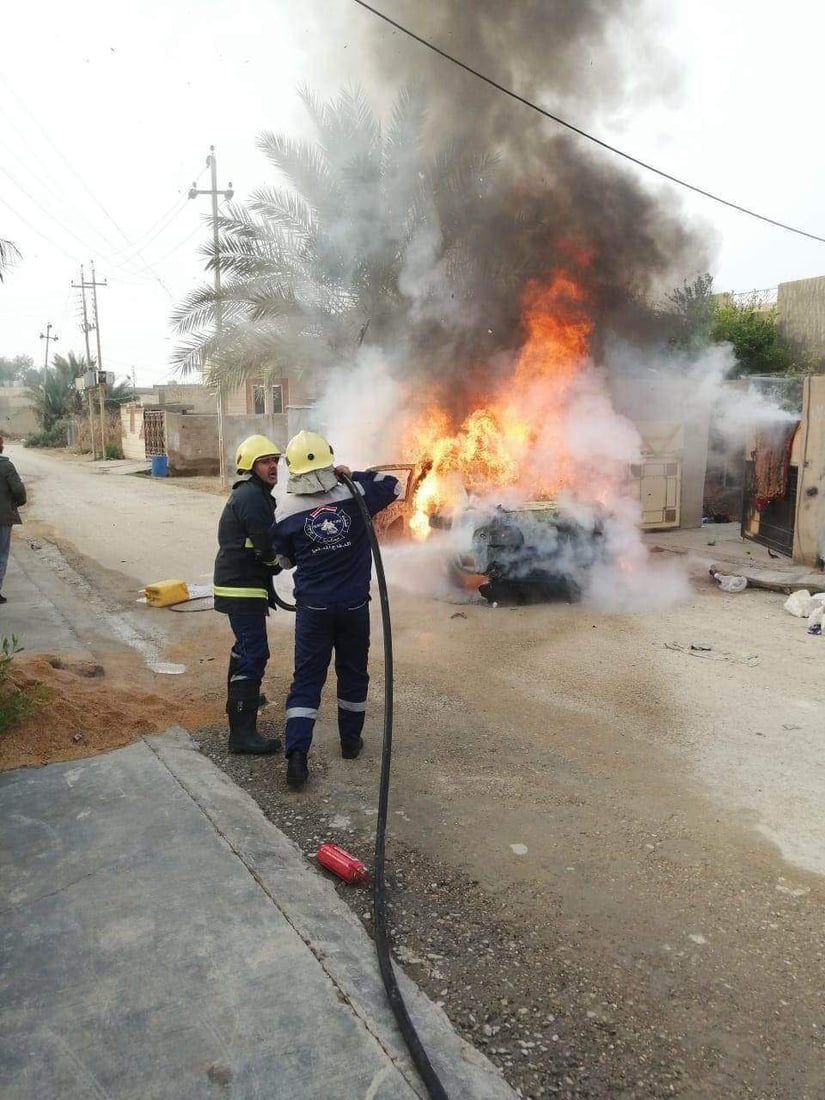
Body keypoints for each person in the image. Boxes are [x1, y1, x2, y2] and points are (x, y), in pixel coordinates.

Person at [272, 430, 400, 790]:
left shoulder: (285, 511)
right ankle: (350, 742)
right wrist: (351, 474)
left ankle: (297, 757)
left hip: (313, 609)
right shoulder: (354, 494)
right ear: (330, 464)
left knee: (308, 680)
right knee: (353, 673)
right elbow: (393, 486)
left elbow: (283, 560)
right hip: (353, 606)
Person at [213, 434, 284, 754]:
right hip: (242, 586)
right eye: (266, 462)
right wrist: (277, 564)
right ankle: (241, 734)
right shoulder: (253, 498)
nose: (273, 467)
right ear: (250, 466)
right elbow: (265, 546)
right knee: (255, 653)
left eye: (275, 461)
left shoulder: (251, 493)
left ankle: (242, 703)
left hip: (239, 582)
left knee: (245, 649)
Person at [0, 437, 26, 604]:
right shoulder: (6, 466)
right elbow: (18, 490)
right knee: (1, 554)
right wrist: (15, 503)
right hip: (2, 517)